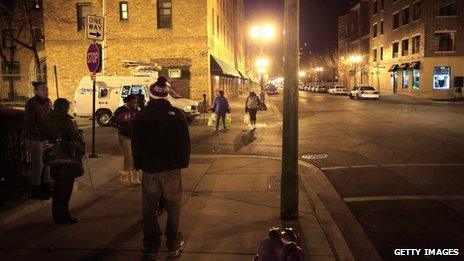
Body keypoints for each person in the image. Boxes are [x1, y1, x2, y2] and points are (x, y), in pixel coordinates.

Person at [132, 76, 191, 260]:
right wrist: (183, 162)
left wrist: (138, 163)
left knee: (149, 209)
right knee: (173, 207)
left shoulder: (141, 116)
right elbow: (185, 143)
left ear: (150, 96)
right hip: (172, 170)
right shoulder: (177, 115)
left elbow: (136, 143)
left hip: (150, 169)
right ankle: (172, 244)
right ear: (166, 96)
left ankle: (152, 247)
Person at [42, 98, 85, 225]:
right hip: (66, 157)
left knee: (57, 188)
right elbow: (76, 137)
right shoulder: (66, 121)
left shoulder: (48, 119)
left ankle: (57, 215)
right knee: (65, 189)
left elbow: (43, 134)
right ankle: (63, 216)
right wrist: (80, 133)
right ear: (65, 108)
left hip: (53, 157)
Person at [25, 82, 52, 199]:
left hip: (46, 137)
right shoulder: (31, 103)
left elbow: (50, 118)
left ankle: (46, 186)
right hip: (35, 138)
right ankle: (36, 189)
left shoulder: (48, 102)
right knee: (38, 164)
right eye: (43, 89)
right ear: (36, 91)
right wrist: (42, 135)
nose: (46, 91)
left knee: (47, 164)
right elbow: (31, 123)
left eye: (46, 89)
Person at [113, 94, 140, 185]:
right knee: (129, 157)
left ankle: (135, 178)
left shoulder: (137, 110)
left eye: (136, 102)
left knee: (135, 157)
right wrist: (120, 127)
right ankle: (125, 175)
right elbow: (113, 121)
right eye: (133, 102)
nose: (135, 104)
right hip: (124, 136)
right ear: (127, 102)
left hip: (135, 137)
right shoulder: (120, 111)